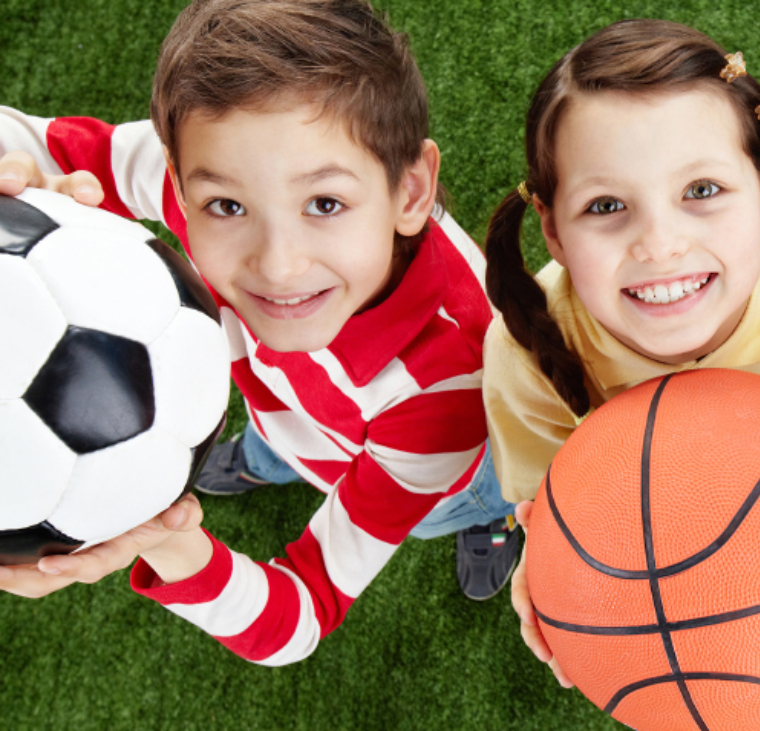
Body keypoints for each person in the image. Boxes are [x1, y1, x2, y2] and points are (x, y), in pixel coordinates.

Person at [0, 0, 519, 665]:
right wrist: (29, 185)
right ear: (183, 184)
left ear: (411, 191)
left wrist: (166, 540)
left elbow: (302, 612)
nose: (278, 264)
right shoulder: (186, 181)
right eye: (226, 206)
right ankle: (271, 454)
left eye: (325, 203)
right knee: (283, 442)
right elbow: (23, 141)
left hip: (447, 474)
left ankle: (489, 520)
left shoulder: (443, 390)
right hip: (289, 413)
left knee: (461, 500)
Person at [479, 19, 760, 687]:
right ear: (553, 232)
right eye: (605, 205)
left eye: (702, 191)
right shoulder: (528, 349)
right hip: (631, 524)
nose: (660, 244)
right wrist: (552, 556)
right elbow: (548, 497)